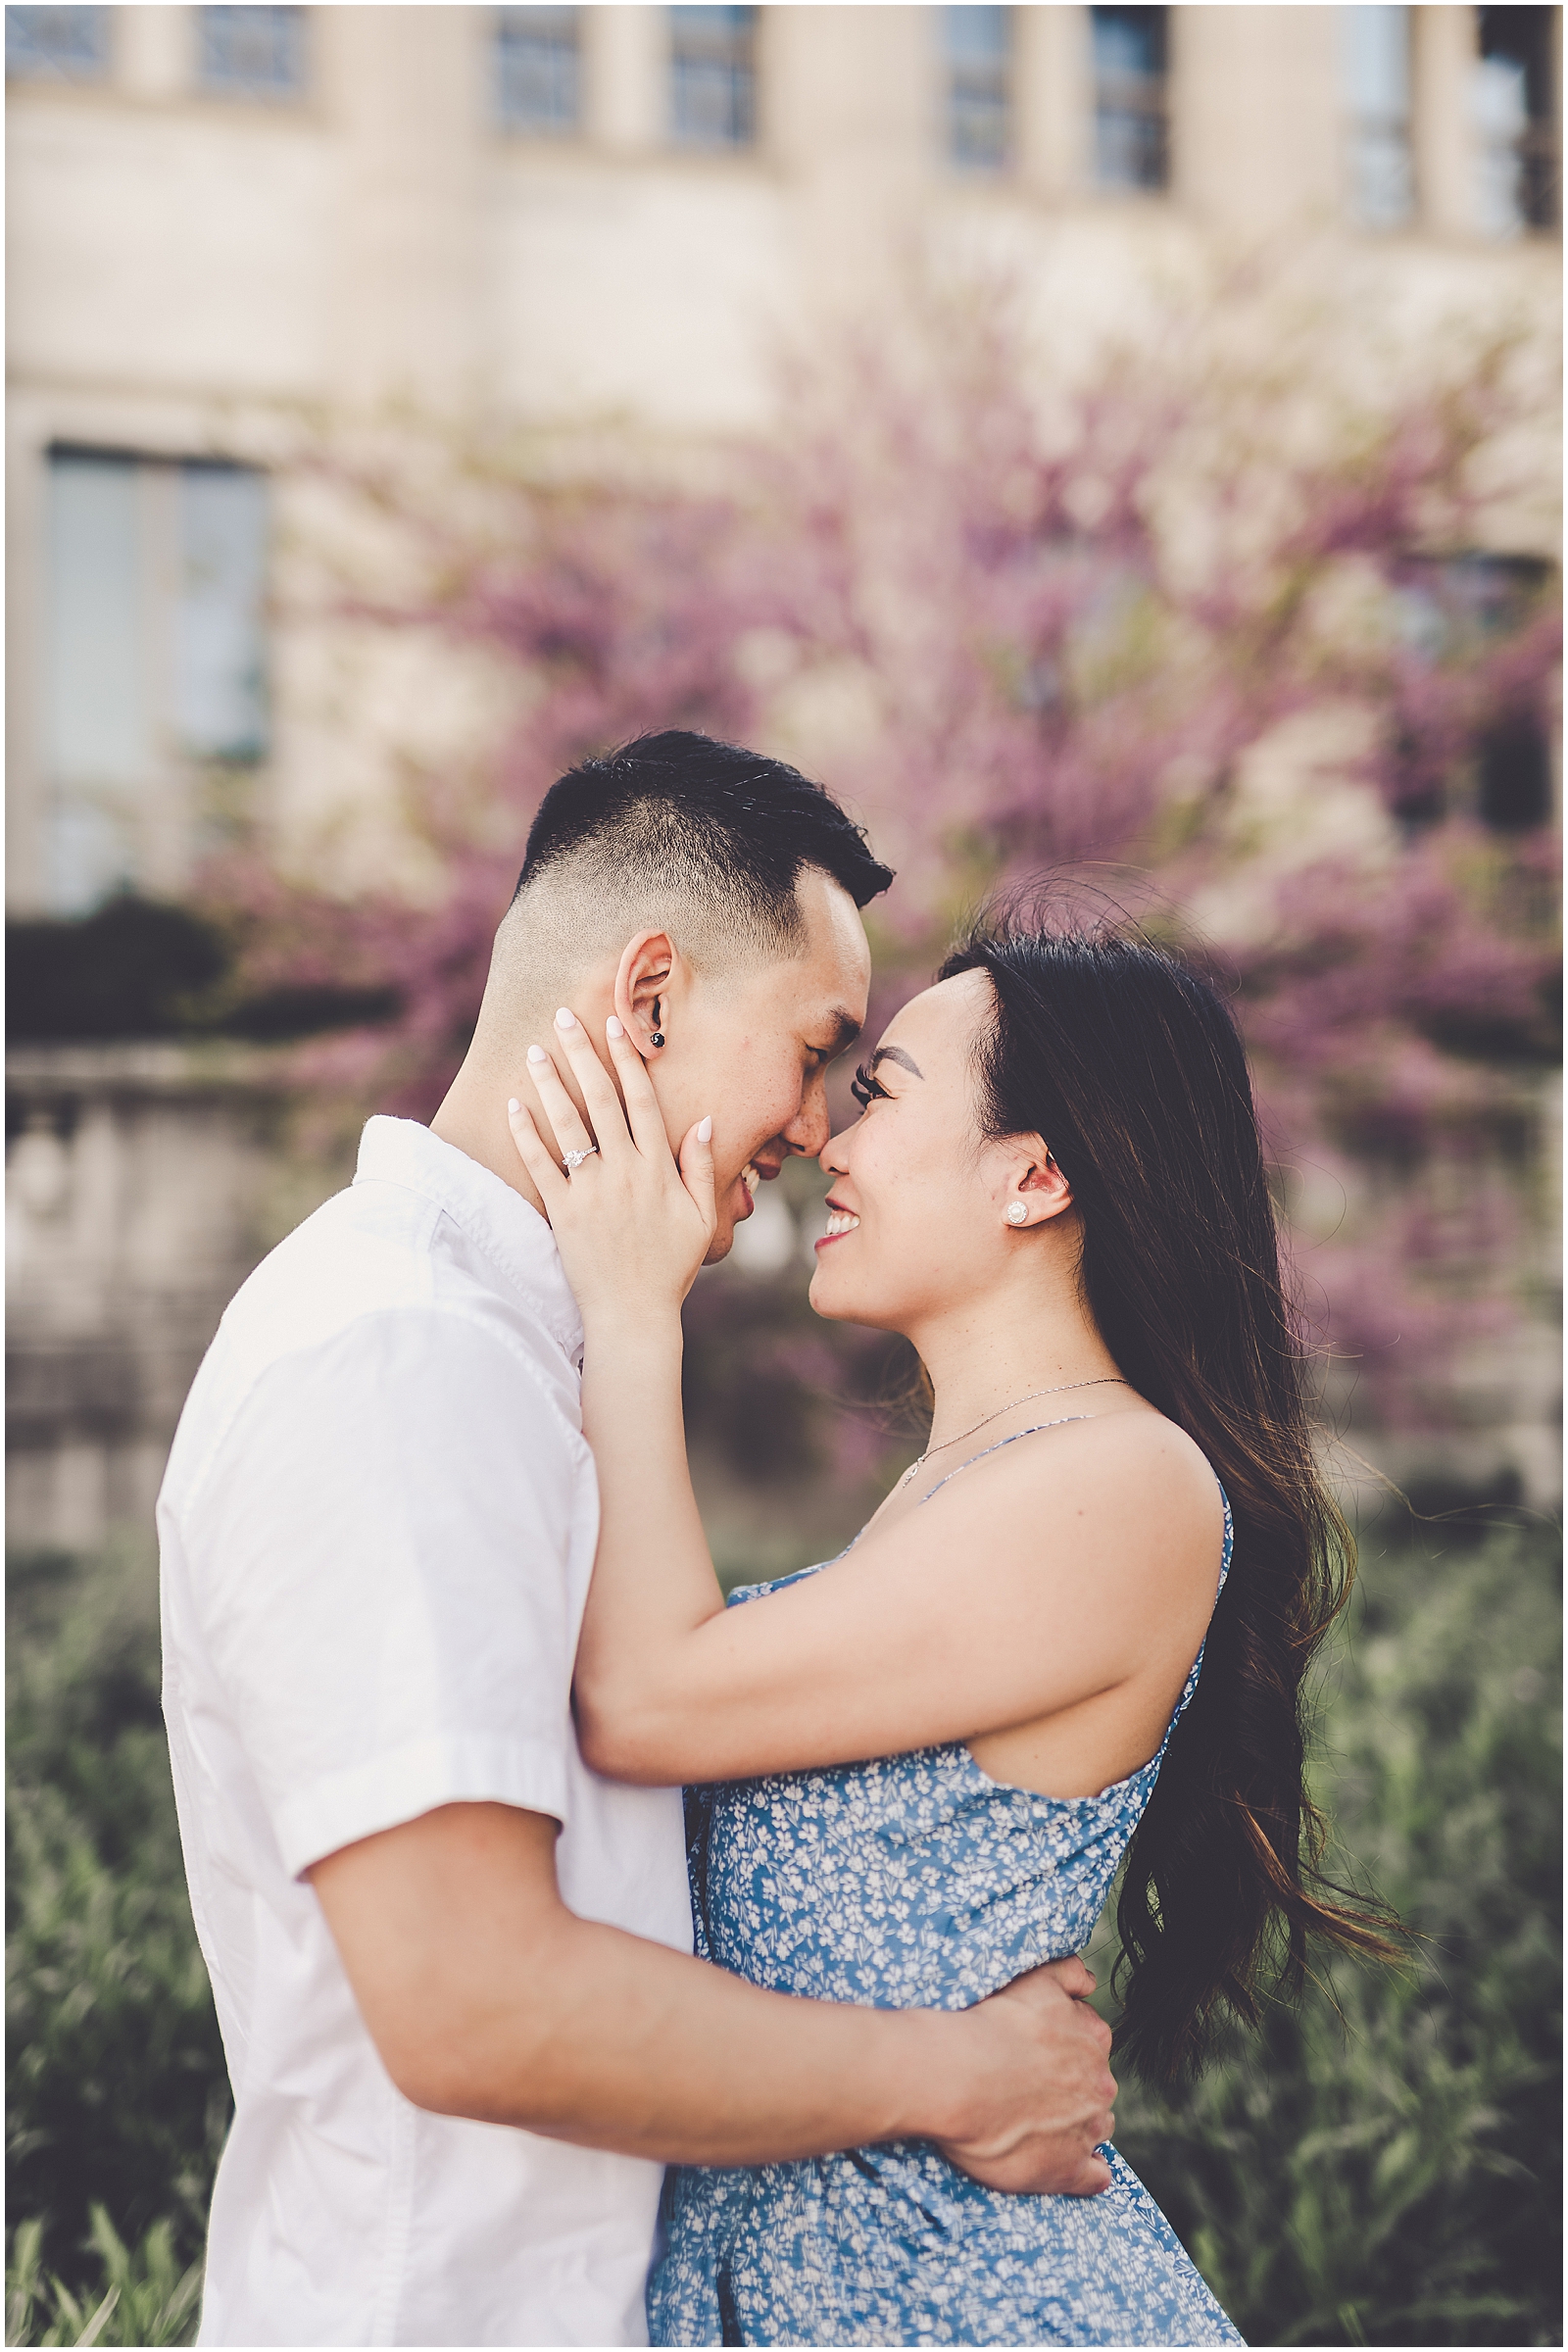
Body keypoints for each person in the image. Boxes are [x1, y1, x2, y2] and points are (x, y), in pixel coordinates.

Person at [157, 735, 1118, 2350]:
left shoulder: (529, 1352)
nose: (821, 1126)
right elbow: (477, 2001)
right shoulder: (397, 1353)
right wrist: (960, 2077)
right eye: (817, 1049)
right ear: (651, 994)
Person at [507, 910, 1395, 2348]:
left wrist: (631, 1307)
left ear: (1036, 1175)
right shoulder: (971, 1483)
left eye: (881, 1095)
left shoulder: (1120, 1483)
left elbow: (651, 1700)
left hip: (965, 2297)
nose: (827, 1145)